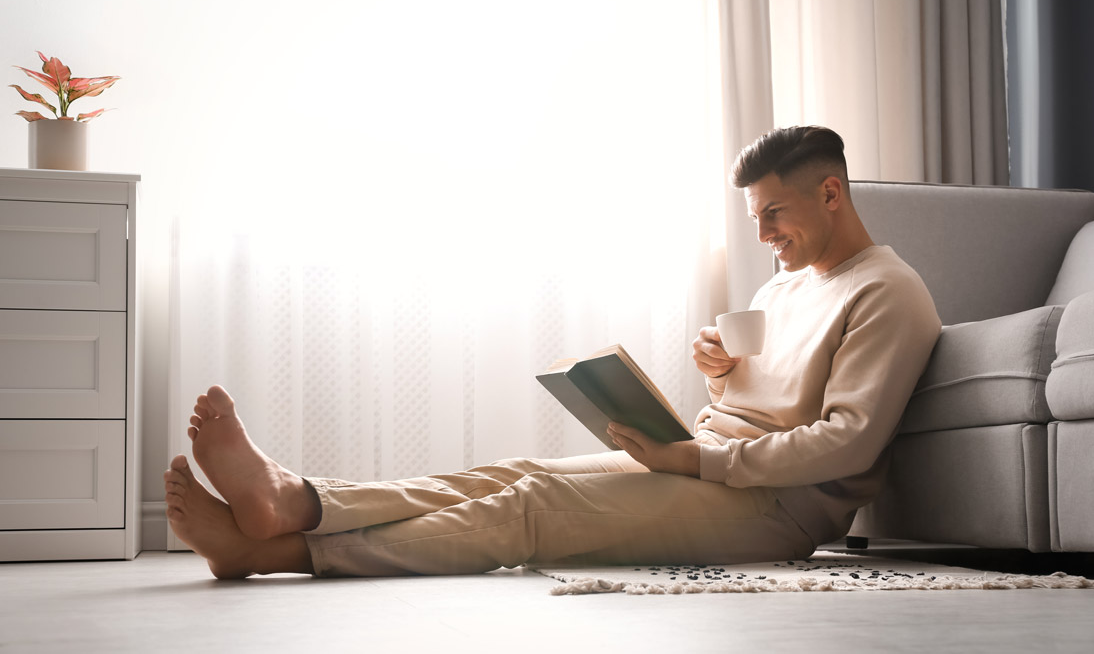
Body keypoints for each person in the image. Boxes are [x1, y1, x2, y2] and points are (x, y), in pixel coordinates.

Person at [165, 125, 941, 579]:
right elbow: (765, 402)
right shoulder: (784, 285)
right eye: (755, 217)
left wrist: (692, 461)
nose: (763, 234)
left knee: (529, 511)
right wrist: (722, 377)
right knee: (518, 473)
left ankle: (280, 552)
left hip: (776, 509)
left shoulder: (890, 293)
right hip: (716, 460)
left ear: (831, 194)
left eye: (773, 213)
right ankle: (298, 499)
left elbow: (845, 443)